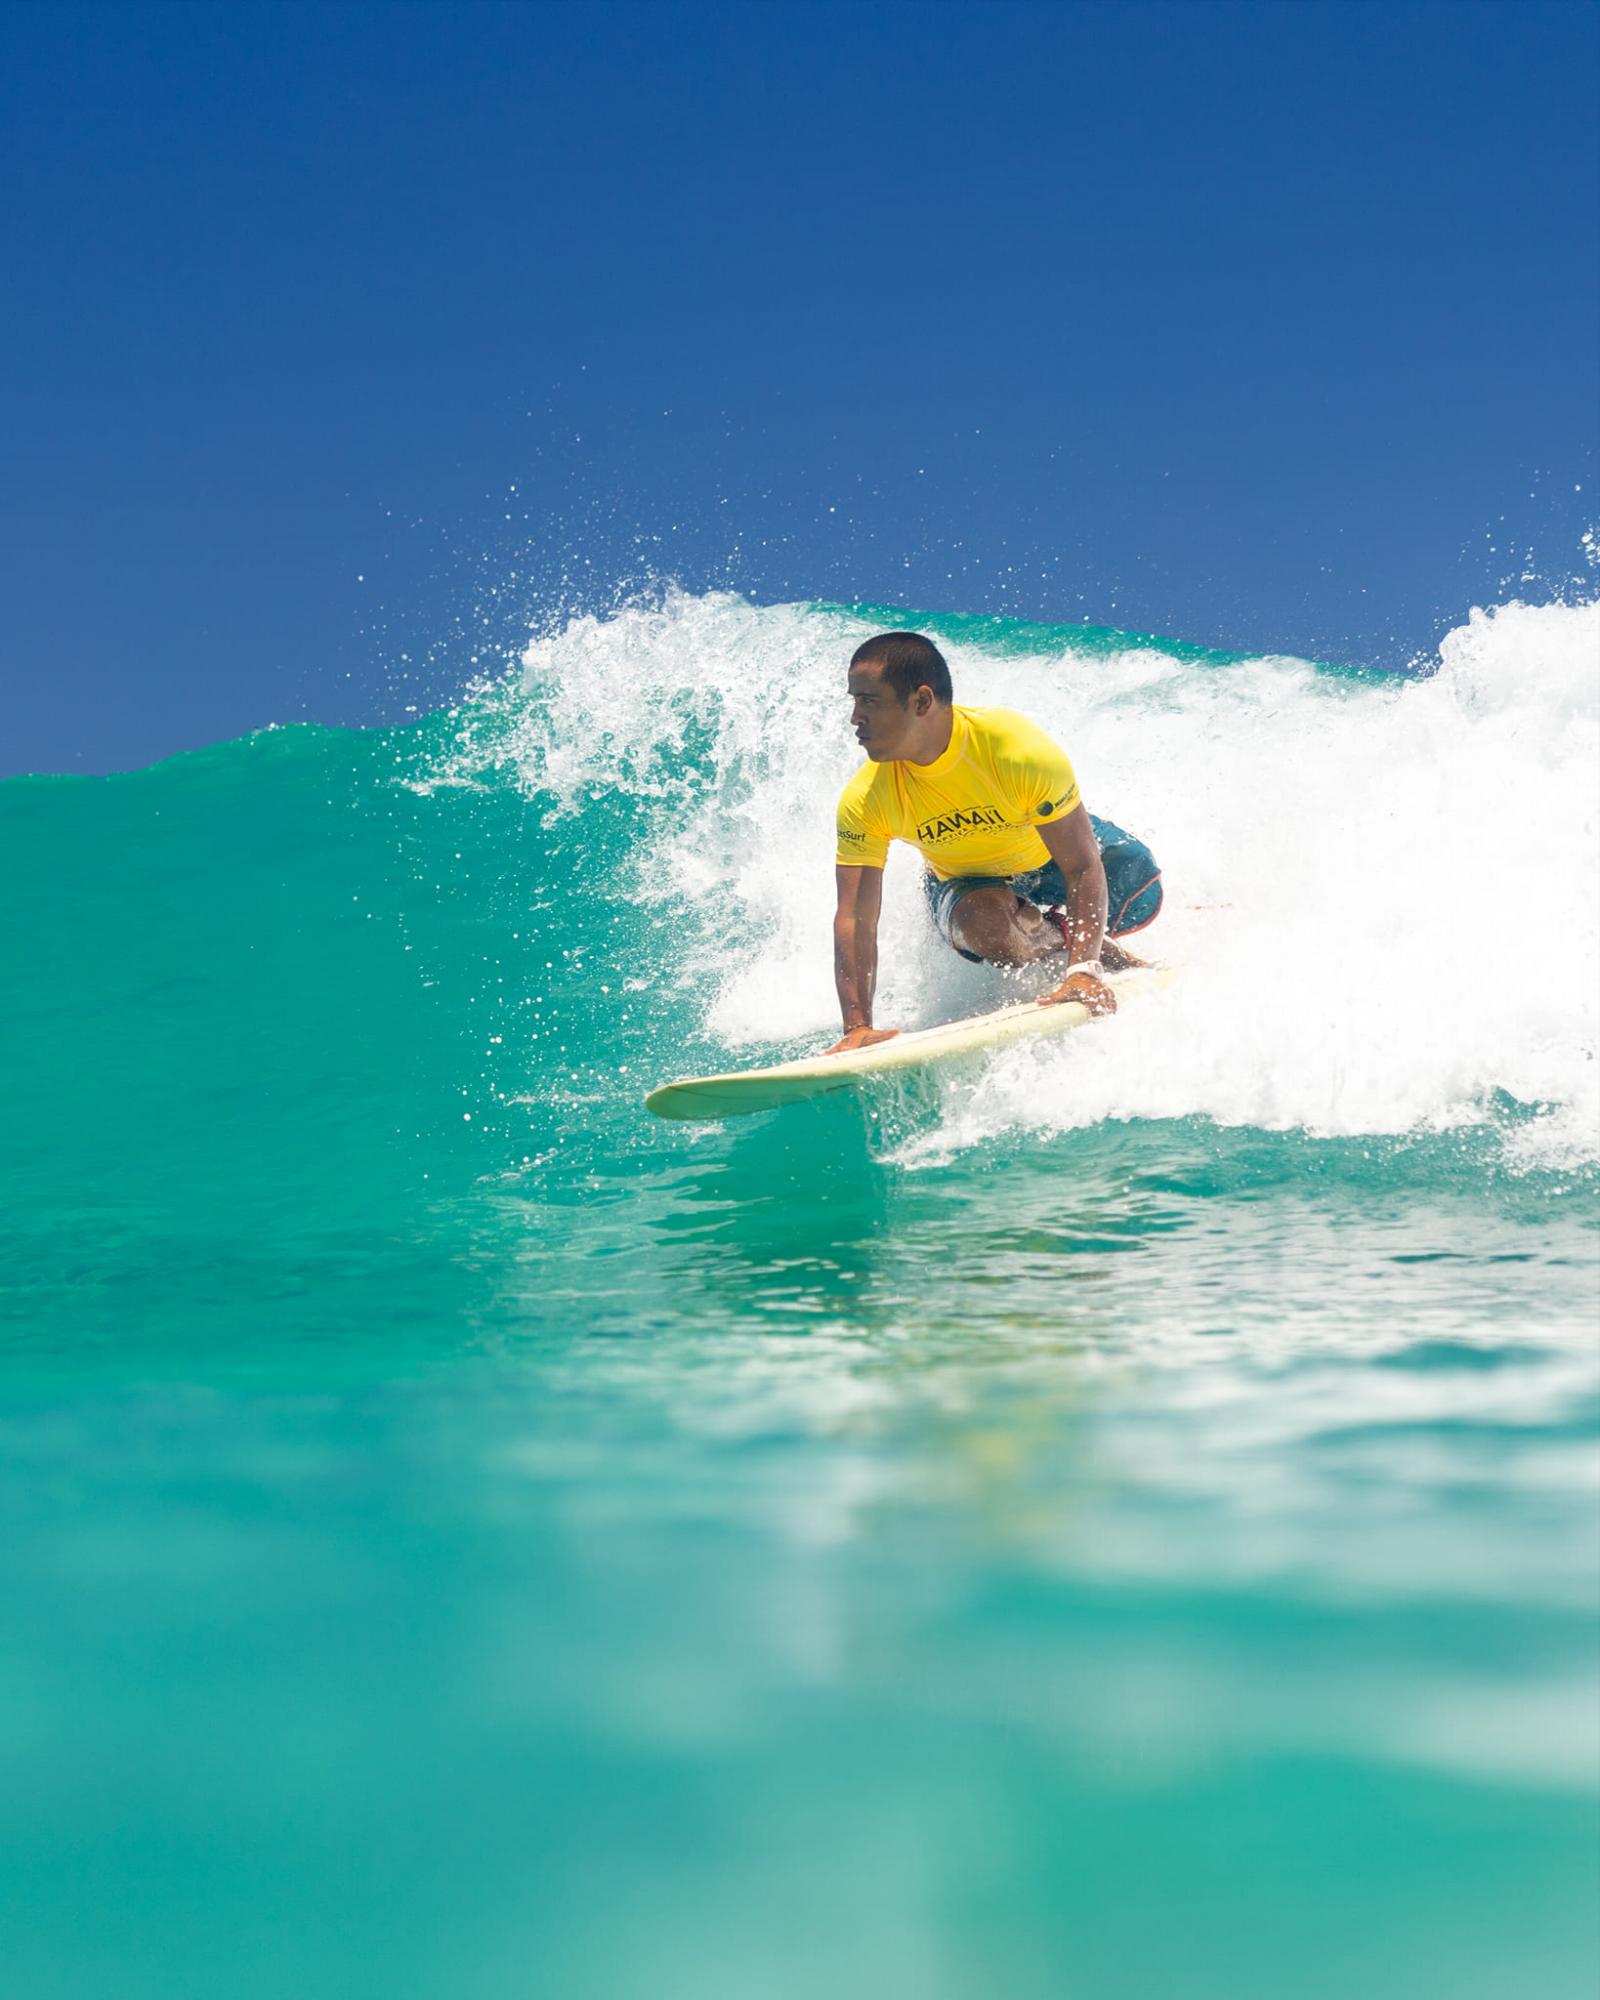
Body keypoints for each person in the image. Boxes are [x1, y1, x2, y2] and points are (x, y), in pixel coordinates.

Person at [829, 630, 1162, 1055]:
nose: (855, 717)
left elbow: (1080, 865)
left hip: (1049, 862)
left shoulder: (1015, 750)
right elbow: (856, 917)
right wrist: (857, 1026)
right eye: (854, 701)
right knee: (988, 928)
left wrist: (1083, 972)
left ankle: (1083, 949)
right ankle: (1059, 936)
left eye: (869, 701)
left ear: (922, 701)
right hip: (968, 886)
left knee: (1136, 872)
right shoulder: (867, 798)